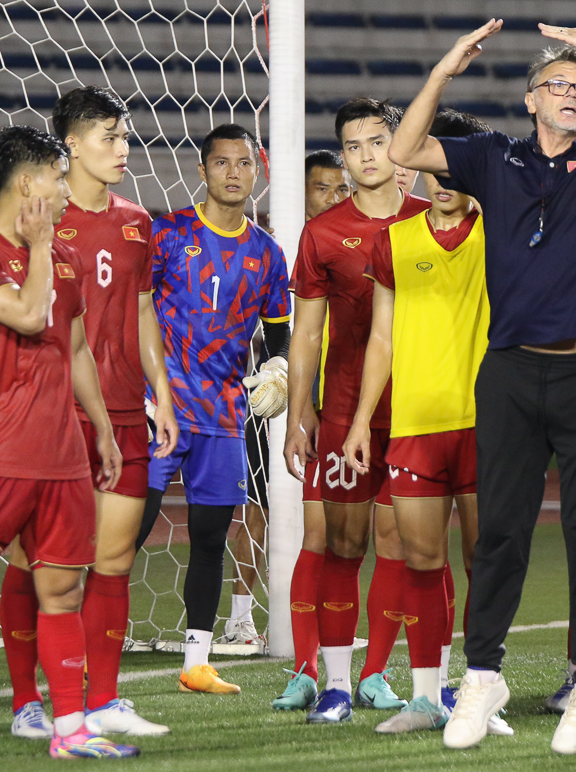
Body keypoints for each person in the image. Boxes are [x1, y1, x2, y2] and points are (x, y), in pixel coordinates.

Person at [389, 20, 576, 755]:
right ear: (530, 99)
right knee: (501, 532)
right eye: (559, 85)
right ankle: (483, 671)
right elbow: (402, 151)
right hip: (512, 371)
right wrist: (446, 69)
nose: (574, 96)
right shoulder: (493, 157)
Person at [0, 126, 135, 760]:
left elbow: (72, 349)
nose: (67, 190)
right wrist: (41, 247)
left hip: (62, 460)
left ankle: (70, 733)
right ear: (26, 183)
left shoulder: (61, 259)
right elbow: (28, 315)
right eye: (58, 177)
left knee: (62, 594)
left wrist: (99, 428)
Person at [0, 87, 178, 742]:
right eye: (109, 137)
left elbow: (141, 309)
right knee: (36, 563)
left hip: (128, 410)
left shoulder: (137, 221)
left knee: (113, 562)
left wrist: (160, 391)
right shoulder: (38, 218)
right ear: (70, 144)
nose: (122, 149)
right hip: (54, 415)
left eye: (124, 136)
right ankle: (27, 701)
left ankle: (101, 698)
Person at [341, 109, 498, 734]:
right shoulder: (395, 241)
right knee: (419, 561)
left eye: (455, 164)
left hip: (490, 423)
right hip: (414, 425)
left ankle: (482, 688)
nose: (442, 177)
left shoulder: (500, 228)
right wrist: (358, 423)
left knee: (485, 562)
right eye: (434, 163)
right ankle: (427, 698)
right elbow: (380, 341)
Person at [284, 99, 429, 723]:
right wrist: (300, 411)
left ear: (398, 146)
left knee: (409, 544)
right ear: (342, 157)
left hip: (423, 410)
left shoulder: (436, 219)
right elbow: (306, 333)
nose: (367, 156)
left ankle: (380, 674)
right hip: (345, 410)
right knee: (344, 545)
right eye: (354, 146)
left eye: (378, 142)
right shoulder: (322, 232)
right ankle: (336, 685)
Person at [136, 124, 291, 694]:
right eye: (221, 162)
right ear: (202, 171)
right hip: (161, 412)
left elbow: (280, 334)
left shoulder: (268, 254)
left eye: (243, 163)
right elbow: (136, 309)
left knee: (208, 540)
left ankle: (197, 663)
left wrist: (279, 371)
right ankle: (82, 644)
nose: (233, 172)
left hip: (225, 417)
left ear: (257, 170)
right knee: (129, 531)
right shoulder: (168, 233)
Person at [225, 150, 351, 650]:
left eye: (341, 188)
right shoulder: (278, 249)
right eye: (322, 188)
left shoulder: (354, 243)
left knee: (336, 517)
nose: (334, 197)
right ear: (300, 192)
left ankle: (326, 625)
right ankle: (239, 618)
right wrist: (274, 369)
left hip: (337, 394)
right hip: (278, 395)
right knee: (260, 507)